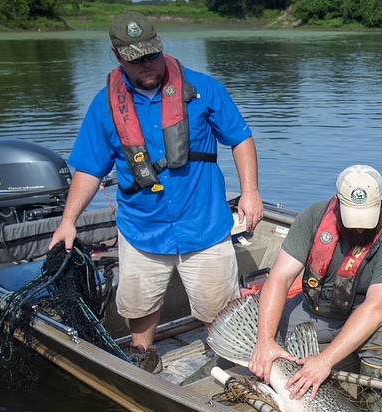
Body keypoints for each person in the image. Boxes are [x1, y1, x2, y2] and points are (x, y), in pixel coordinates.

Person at [49, 11, 262, 374]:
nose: (147, 64)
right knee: (138, 305)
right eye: (136, 59)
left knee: (219, 308)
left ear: (160, 45)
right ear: (118, 56)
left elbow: (240, 137)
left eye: (152, 54)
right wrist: (68, 222)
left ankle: (225, 361)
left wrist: (250, 192)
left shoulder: (204, 88)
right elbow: (88, 168)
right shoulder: (104, 106)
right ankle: (143, 356)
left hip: (204, 224)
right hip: (142, 228)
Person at [248, 165, 382, 412]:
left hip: (379, 314)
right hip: (320, 308)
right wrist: (265, 341)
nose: (360, 229)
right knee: (261, 324)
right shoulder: (313, 217)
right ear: (338, 204)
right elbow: (280, 277)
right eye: (353, 219)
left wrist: (325, 360)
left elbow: (378, 308)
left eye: (366, 220)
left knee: (380, 337)